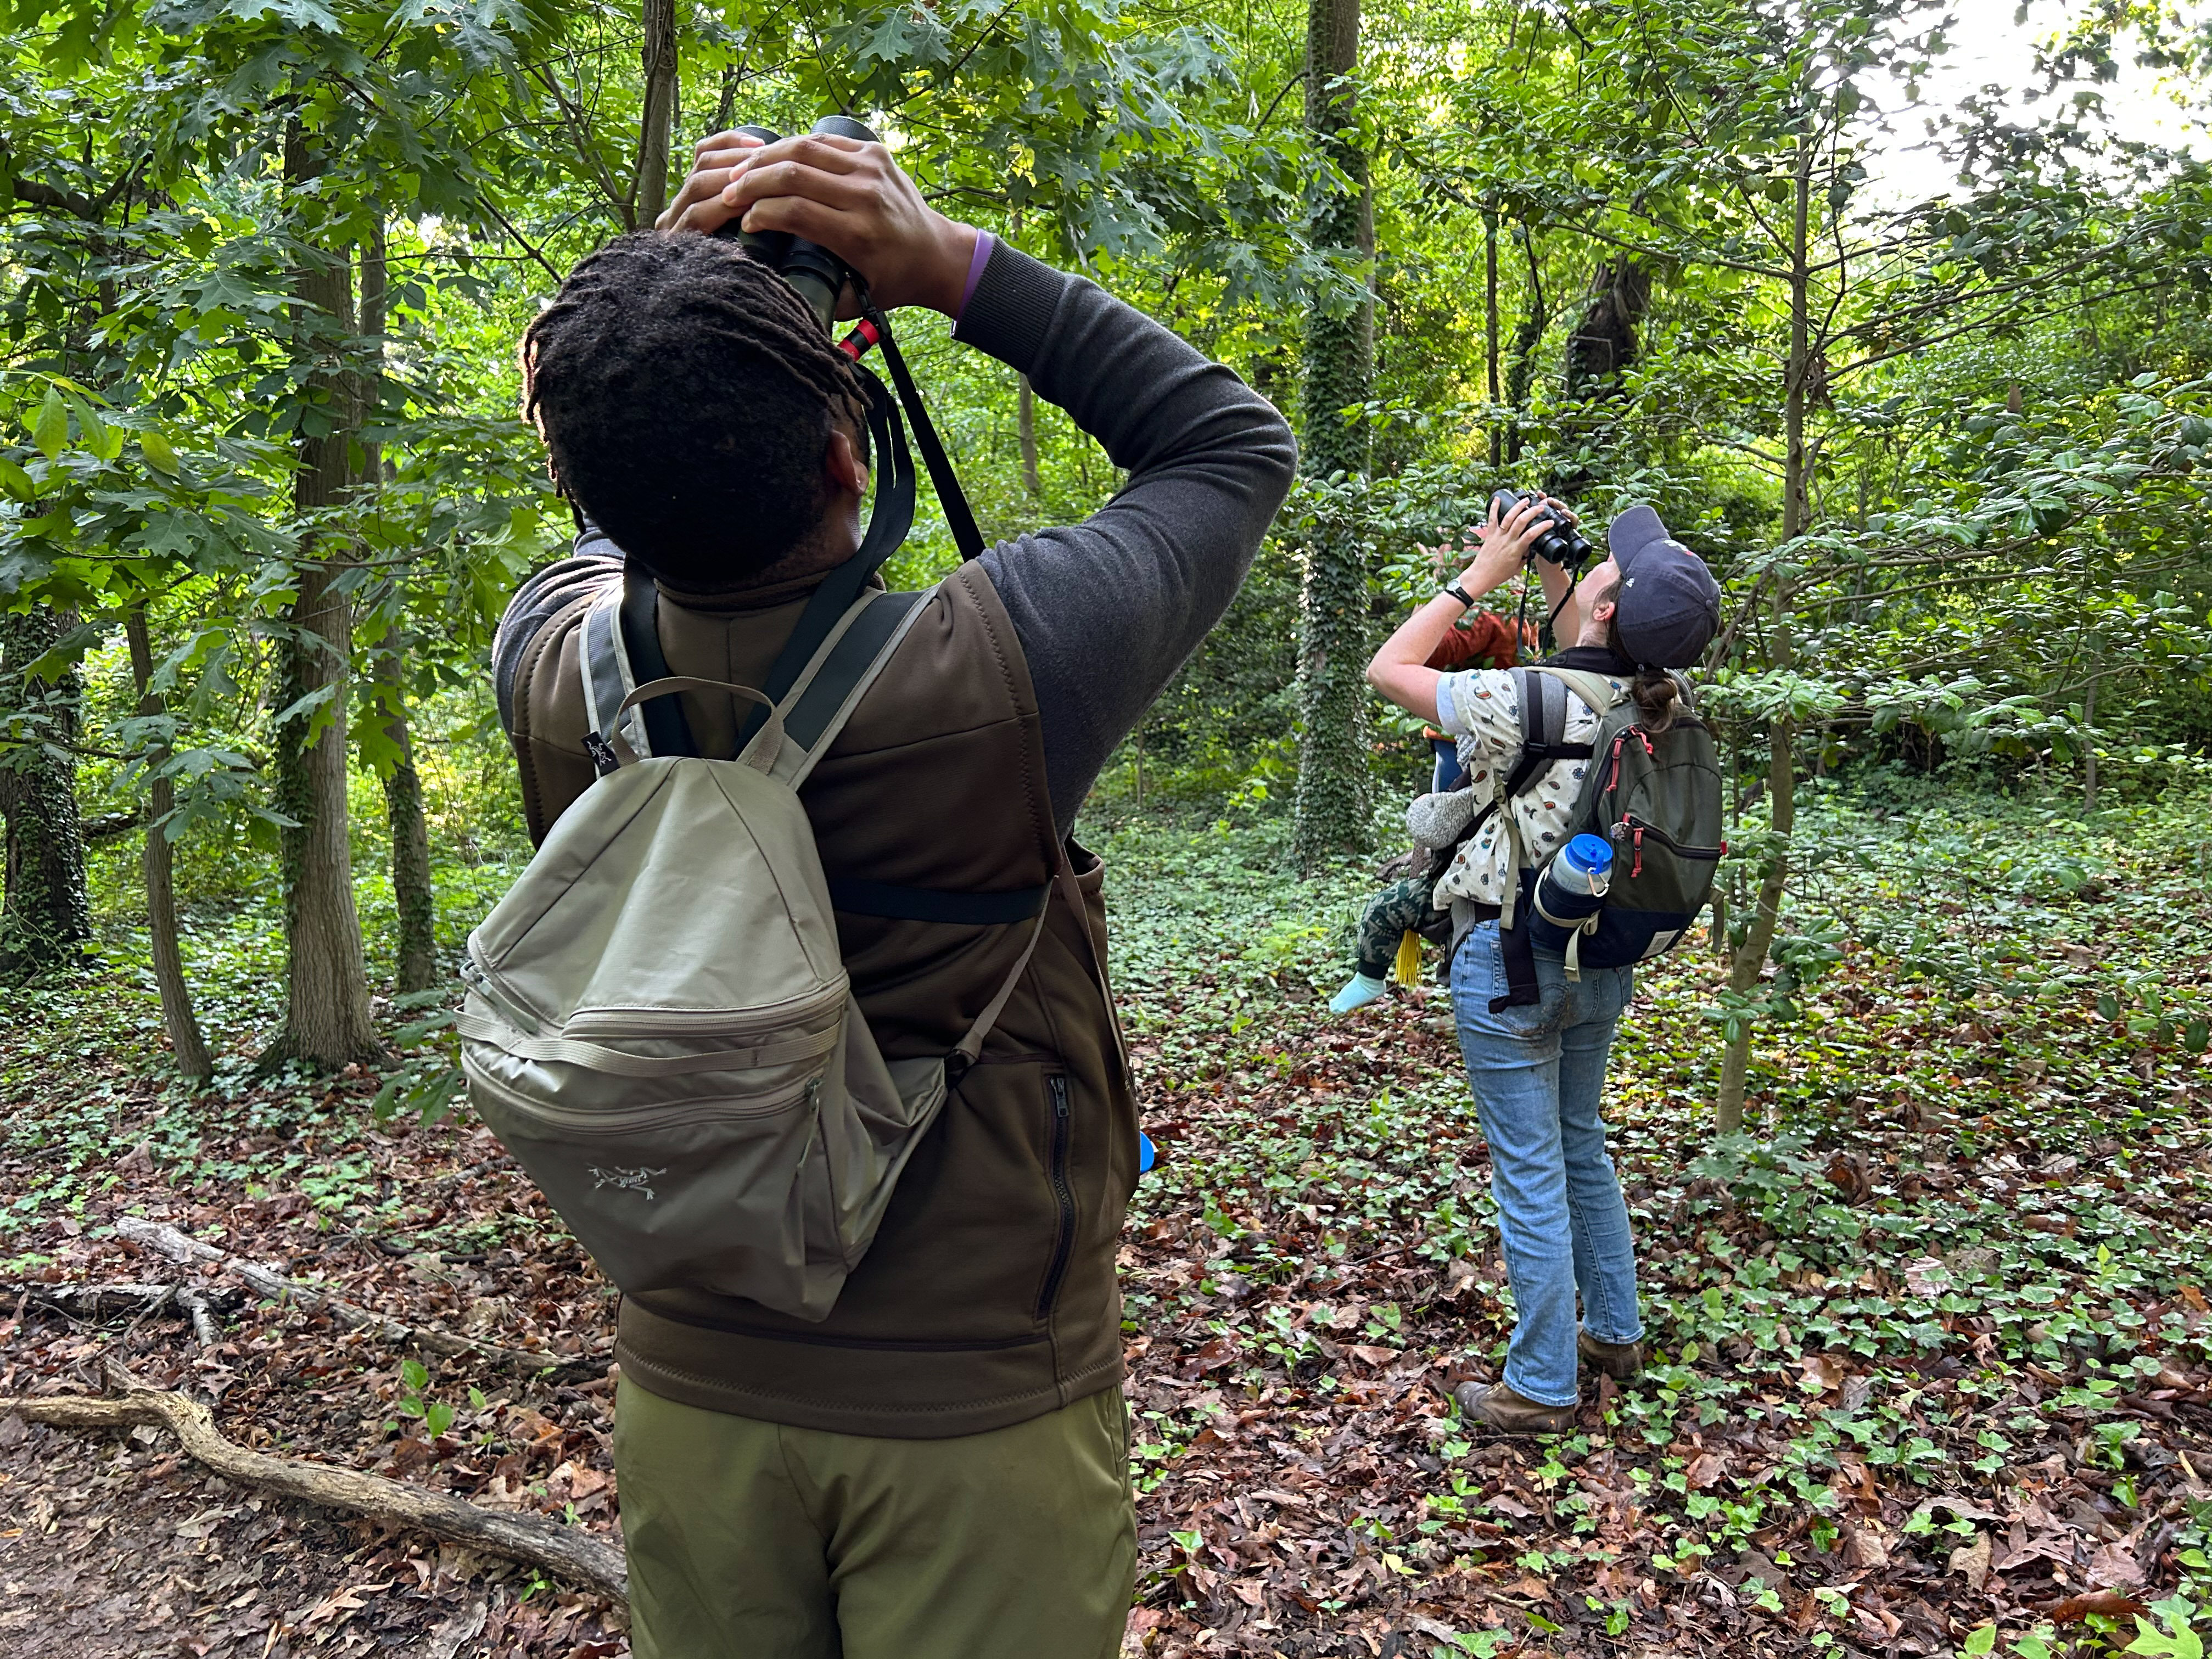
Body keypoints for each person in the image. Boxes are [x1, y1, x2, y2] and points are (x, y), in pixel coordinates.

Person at [490, 129, 1295, 1657]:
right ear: (853, 458)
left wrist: (663, 319)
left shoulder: (552, 667)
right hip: (976, 1410)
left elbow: (609, 497)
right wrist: (947, 265)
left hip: (687, 1395)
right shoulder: (1003, 665)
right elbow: (1225, 445)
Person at [1363, 493, 1721, 1434]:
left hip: (1509, 960)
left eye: (1606, 568)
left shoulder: (1519, 700)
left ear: (1609, 610)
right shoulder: (1665, 705)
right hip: (1602, 960)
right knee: (1577, 1145)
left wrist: (1478, 577)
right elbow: (1585, 655)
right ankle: (1614, 1331)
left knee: (1529, 1169)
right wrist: (1559, 573)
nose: (1598, 562)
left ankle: (1540, 1385)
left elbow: (1387, 667)